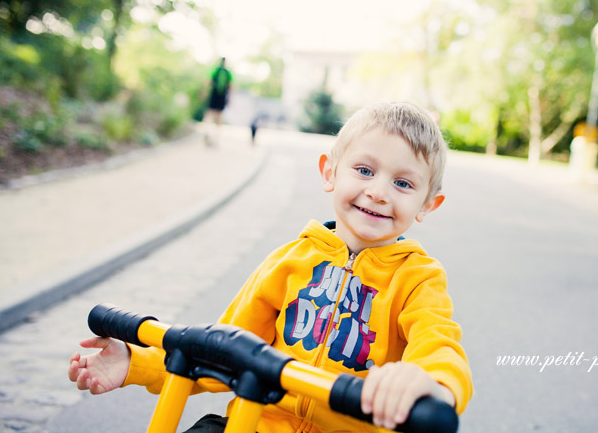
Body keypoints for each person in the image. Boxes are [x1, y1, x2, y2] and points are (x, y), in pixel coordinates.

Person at [68, 102, 473, 433]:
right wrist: (134, 362)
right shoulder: (288, 261)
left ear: (427, 204)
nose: (378, 192)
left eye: (403, 184)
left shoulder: (419, 279)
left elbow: (439, 344)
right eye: (364, 171)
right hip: (257, 423)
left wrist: (430, 384)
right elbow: (225, 344)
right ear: (330, 172)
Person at [203, 57, 233, 146]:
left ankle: (207, 131)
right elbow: (231, 87)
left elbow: (208, 82)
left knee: (209, 114)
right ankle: (217, 136)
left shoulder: (215, 70)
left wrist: (204, 93)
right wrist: (229, 99)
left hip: (214, 95)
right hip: (222, 96)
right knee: (219, 116)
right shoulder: (228, 73)